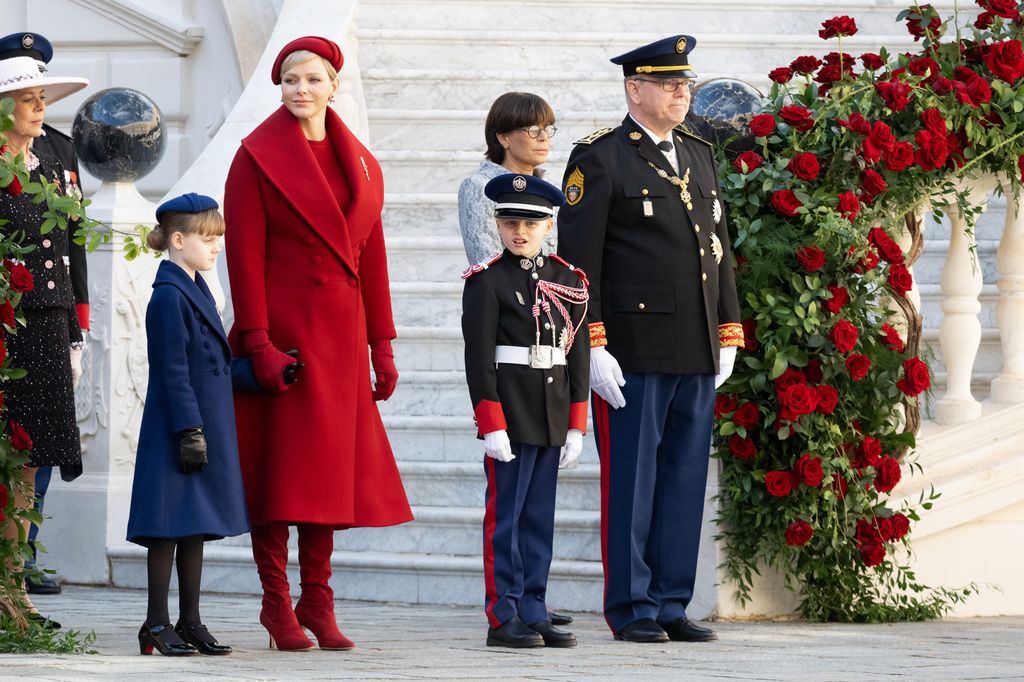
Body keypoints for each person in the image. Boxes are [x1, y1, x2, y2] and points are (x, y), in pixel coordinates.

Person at [224, 36, 413, 652]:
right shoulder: (255, 157)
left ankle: (317, 599)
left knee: (327, 476)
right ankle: (276, 603)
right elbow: (243, 258)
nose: (299, 90)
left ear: (335, 86)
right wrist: (256, 343)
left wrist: (380, 344)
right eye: (288, 81)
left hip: (341, 337)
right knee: (280, 474)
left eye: (311, 79)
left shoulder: (361, 161)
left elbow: (373, 258)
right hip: (283, 334)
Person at [556, 35, 743, 644]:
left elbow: (719, 252)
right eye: (668, 84)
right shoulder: (601, 158)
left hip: (694, 346)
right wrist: (594, 345)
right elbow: (578, 265)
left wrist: (729, 329)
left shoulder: (699, 153)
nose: (681, 93)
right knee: (632, 482)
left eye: (685, 83)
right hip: (631, 350)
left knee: (685, 478)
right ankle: (631, 605)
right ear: (635, 89)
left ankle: (669, 601)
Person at [462, 174, 590, 648]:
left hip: (553, 411)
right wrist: (490, 422)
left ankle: (533, 606)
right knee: (507, 518)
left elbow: (577, 355)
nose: (520, 231)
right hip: (510, 413)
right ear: (497, 223)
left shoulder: (568, 279)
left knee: (539, 517)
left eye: (531, 223)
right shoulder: (487, 281)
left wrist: (577, 424)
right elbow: (479, 359)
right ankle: (503, 614)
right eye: (510, 221)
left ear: (548, 224)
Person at [126, 193, 249, 656]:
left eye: (219, 238)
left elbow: (215, 362)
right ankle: (156, 623)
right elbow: (173, 370)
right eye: (208, 238)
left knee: (193, 525)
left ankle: (189, 620)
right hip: (178, 427)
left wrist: (261, 372)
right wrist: (189, 430)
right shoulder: (168, 298)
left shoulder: (197, 290)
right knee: (165, 527)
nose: (217, 246)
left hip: (203, 425)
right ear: (178, 241)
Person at [0, 30, 91, 598]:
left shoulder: (54, 161)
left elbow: (71, 245)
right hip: (10, 325)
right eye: (30, 96)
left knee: (35, 455)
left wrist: (76, 330)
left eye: (42, 97)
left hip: (51, 321)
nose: (42, 106)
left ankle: (15, 583)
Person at [458, 92, 558, 265]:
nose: (544, 137)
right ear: (504, 138)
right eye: (533, 130)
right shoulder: (480, 186)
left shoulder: (551, 186)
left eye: (548, 128)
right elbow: (487, 263)